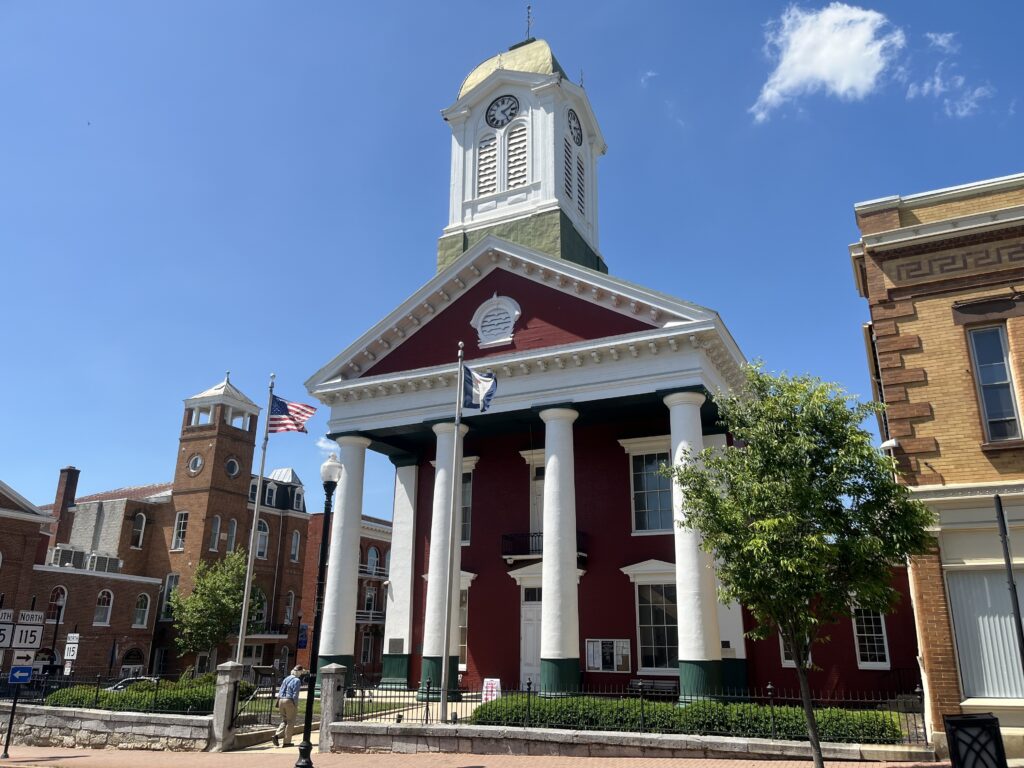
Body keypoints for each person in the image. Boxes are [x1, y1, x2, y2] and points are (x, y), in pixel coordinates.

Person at [273, 665, 306, 747]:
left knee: (284, 720)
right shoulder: (297, 680)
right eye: (301, 672)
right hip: (289, 700)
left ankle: (276, 735)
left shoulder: (286, 678)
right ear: (299, 672)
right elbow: (295, 694)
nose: (301, 674)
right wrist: (296, 704)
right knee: (290, 721)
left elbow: (280, 690)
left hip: (281, 700)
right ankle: (287, 742)